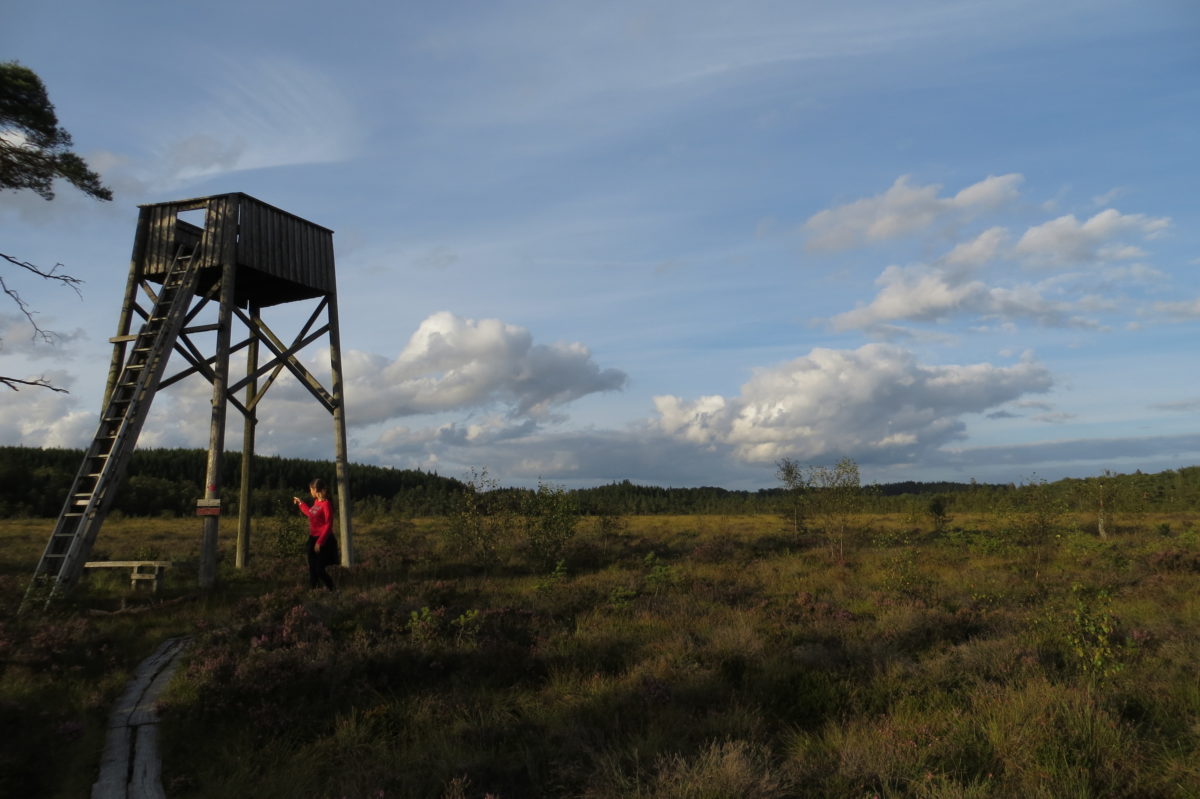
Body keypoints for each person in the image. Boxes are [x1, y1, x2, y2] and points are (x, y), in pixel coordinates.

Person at [293, 478, 336, 590]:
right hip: (312, 539)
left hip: (324, 540)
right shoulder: (316, 502)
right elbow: (310, 513)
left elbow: (328, 525)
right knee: (312, 569)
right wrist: (301, 503)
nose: (310, 492)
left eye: (311, 489)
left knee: (319, 569)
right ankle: (314, 591)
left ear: (316, 489)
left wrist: (320, 542)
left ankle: (332, 589)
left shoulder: (326, 505)